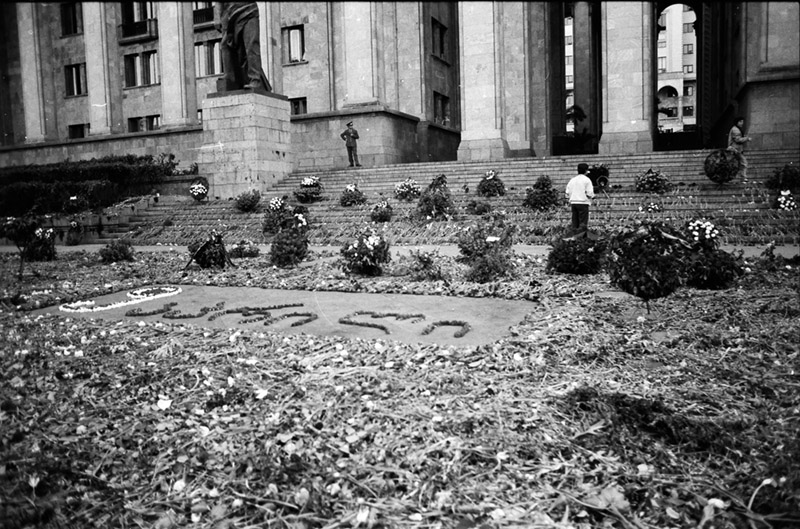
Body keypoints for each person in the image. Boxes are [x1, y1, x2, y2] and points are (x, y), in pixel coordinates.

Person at [214, 2, 272, 92]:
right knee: (225, 45)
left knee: (251, 45)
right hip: (229, 13)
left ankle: (255, 79)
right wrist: (217, 15)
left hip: (249, 9)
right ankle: (229, 77)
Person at [565, 162, 595, 237]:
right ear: (586, 171)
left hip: (573, 202)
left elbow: (567, 192)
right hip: (583, 202)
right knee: (583, 222)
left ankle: (574, 236)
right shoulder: (587, 180)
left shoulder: (572, 180)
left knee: (575, 221)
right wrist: (593, 196)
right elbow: (589, 193)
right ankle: (581, 238)